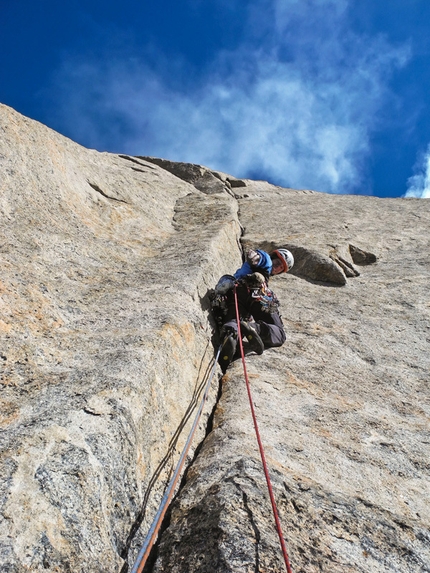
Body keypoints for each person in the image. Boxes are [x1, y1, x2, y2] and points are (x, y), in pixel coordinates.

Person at [210, 248, 294, 372]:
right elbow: (259, 258)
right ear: (273, 256)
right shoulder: (266, 261)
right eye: (278, 261)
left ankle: (233, 333)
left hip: (235, 294)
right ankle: (254, 328)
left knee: (234, 325)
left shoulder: (246, 270)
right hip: (257, 293)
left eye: (281, 267)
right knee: (279, 334)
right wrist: (256, 258)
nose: (277, 266)